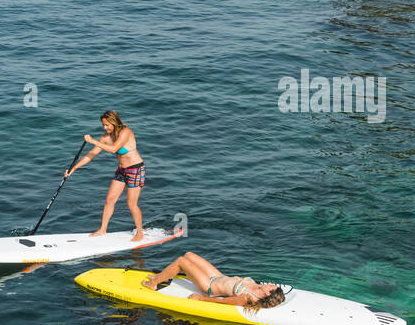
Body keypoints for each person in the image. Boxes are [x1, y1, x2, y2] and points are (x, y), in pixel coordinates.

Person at [64, 109, 145, 240]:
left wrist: (93, 141)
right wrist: (74, 168)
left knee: (131, 204)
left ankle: (140, 233)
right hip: (121, 170)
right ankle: (103, 229)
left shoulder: (126, 132)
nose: (104, 127)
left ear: (114, 123)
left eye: (107, 125)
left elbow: (114, 149)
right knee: (109, 200)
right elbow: (91, 155)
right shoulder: (106, 137)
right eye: (103, 125)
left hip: (135, 169)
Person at [142, 252, 286, 312]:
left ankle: (153, 284)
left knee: (181, 262)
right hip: (217, 276)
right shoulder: (259, 286)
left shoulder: (248, 297)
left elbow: (223, 302)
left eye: (272, 287)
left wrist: (200, 298)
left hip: (209, 286)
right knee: (188, 255)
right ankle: (163, 275)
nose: (271, 284)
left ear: (268, 293)